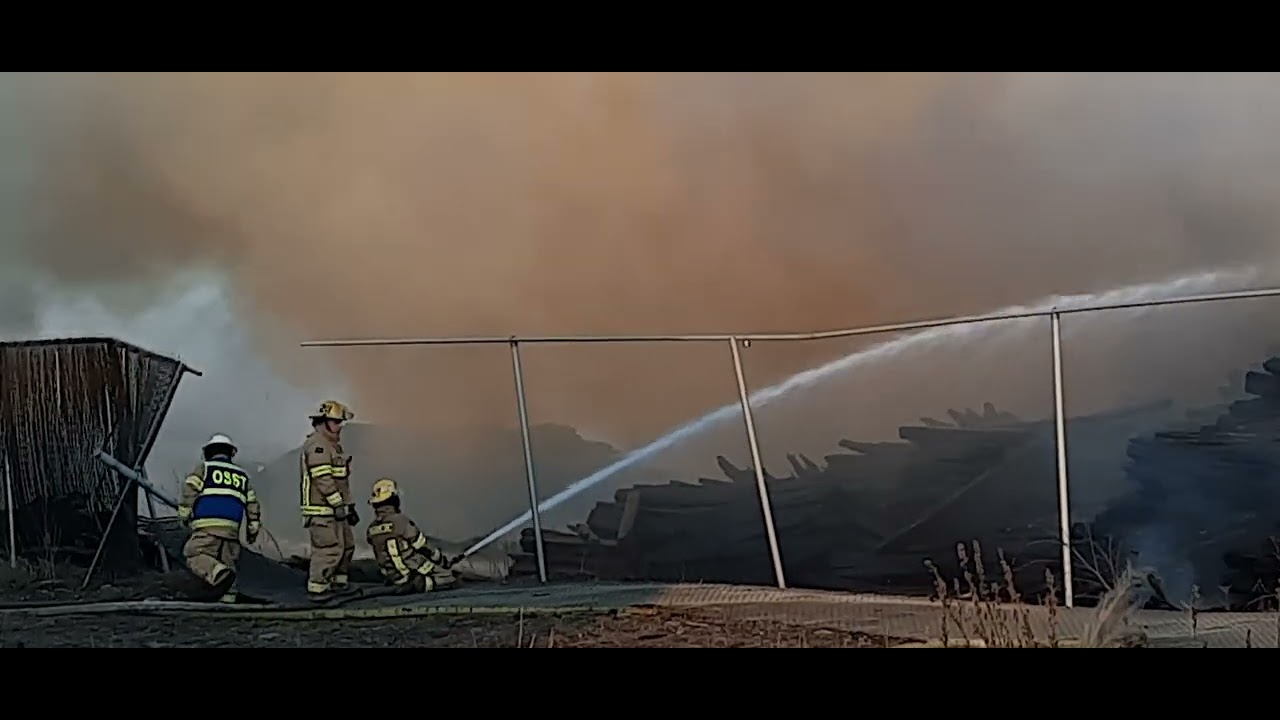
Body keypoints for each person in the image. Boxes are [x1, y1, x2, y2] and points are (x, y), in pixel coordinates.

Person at [177, 434, 261, 604]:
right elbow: (252, 505)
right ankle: (228, 598)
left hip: (207, 526)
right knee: (228, 561)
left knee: (194, 553)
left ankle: (217, 573)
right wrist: (253, 529)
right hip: (231, 529)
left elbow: (189, 492)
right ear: (230, 453)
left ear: (209, 452)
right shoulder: (242, 476)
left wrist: (184, 515)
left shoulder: (204, 468)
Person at [300, 399, 358, 600]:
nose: (339, 426)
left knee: (347, 546)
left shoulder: (334, 447)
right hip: (321, 511)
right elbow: (323, 480)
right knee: (328, 550)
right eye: (335, 422)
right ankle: (318, 589)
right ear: (323, 421)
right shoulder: (318, 445)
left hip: (336, 510)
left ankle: (338, 584)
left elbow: (342, 482)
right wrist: (338, 504)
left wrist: (349, 506)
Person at [365, 478, 461, 592]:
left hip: (392, 576)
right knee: (451, 579)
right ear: (393, 500)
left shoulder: (371, 529)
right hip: (411, 572)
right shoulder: (401, 522)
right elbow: (423, 546)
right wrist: (442, 560)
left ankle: (409, 583)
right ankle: (421, 584)